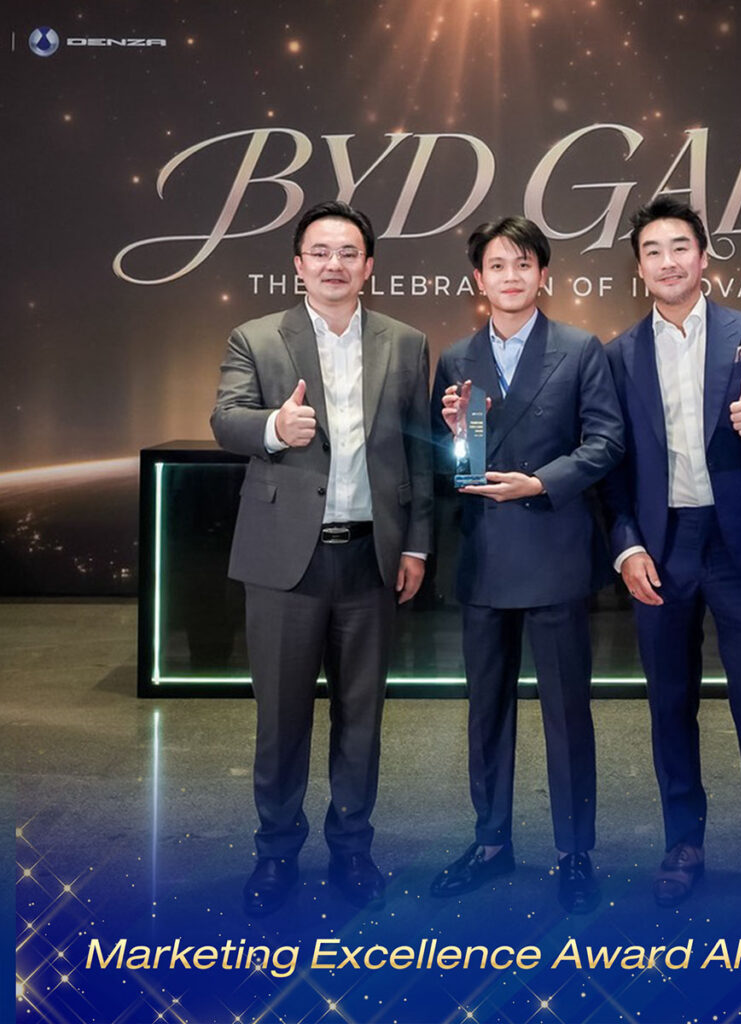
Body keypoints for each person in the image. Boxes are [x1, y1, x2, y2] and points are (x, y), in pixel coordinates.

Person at [601, 195, 741, 915]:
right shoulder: (619, 354)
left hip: (739, 548)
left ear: (703, 257)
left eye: (679, 247)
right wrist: (628, 546)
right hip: (662, 547)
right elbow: (613, 467)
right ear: (639, 269)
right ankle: (683, 848)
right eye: (652, 251)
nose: (667, 261)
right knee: (670, 706)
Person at [211, 200, 432, 916]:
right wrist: (275, 427)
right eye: (320, 252)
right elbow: (226, 419)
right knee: (281, 721)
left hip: (371, 557)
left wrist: (417, 542)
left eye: (348, 253)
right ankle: (276, 852)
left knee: (361, 720)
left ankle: (352, 849)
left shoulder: (406, 342)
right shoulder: (256, 337)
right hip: (286, 563)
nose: (334, 264)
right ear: (298, 265)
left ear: (369, 267)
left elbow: (419, 452)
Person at [429, 217, 623, 914]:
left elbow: (607, 442)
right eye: (496, 265)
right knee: (486, 711)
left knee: (568, 714)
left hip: (555, 550)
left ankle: (575, 852)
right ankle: (490, 842)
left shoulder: (580, 349)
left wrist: (540, 482)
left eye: (522, 263)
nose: (509, 276)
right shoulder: (456, 357)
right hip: (485, 554)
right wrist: (456, 440)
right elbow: (455, 466)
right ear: (477, 279)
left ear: (544, 274)